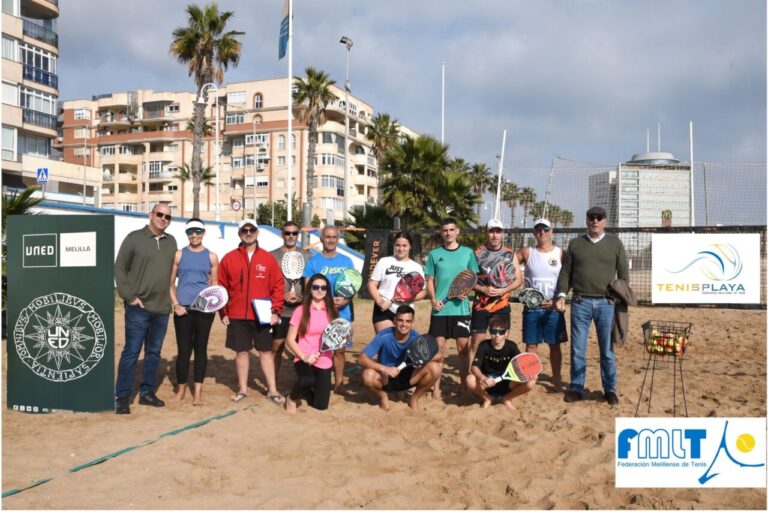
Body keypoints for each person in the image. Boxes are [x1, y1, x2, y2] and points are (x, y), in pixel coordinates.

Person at [555, 206, 629, 406]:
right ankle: (576, 387)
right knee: (578, 349)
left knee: (607, 350)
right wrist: (561, 294)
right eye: (591, 218)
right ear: (586, 221)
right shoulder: (575, 244)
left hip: (606, 304)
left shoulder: (615, 244)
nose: (595, 221)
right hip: (580, 302)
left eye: (599, 218)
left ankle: (610, 389)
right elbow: (566, 273)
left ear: (605, 221)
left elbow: (623, 276)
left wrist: (618, 297)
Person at [114, 203, 177, 414]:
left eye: (168, 216)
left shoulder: (171, 242)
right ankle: (122, 397)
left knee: (153, 353)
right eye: (159, 214)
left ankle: (147, 393)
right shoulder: (134, 238)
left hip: (161, 308)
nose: (163, 219)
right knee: (131, 352)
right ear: (151, 215)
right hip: (138, 307)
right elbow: (120, 269)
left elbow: (173, 273)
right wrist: (130, 297)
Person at [218, 219, 285, 404]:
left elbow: (278, 286)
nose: (248, 233)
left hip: (262, 315)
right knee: (241, 352)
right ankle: (243, 389)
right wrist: (223, 313)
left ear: (257, 232)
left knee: (265, 352)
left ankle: (272, 390)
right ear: (239, 233)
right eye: (244, 230)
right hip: (237, 315)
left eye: (252, 230)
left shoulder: (267, 258)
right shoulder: (229, 258)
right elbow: (221, 287)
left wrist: (276, 311)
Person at [425, 217, 480, 400]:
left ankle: (464, 387)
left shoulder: (467, 252)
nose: (448, 233)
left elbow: (473, 278)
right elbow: (430, 280)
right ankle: (436, 389)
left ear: (457, 231)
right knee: (438, 351)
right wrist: (433, 300)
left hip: (461, 310)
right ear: (441, 233)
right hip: (440, 309)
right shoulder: (434, 254)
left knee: (463, 350)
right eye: (445, 230)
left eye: (451, 229)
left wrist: (466, 290)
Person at [168, 218, 219, 406]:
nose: (194, 235)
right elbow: (170, 284)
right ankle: (181, 390)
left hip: (204, 311)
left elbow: (215, 286)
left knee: (201, 349)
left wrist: (212, 306)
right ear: (186, 234)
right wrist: (176, 305)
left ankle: (197, 393)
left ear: (203, 233)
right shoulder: (179, 255)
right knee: (183, 351)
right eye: (191, 232)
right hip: (183, 310)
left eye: (198, 231)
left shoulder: (212, 257)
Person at [516, 218, 568, 392]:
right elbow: (508, 265)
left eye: (545, 229)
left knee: (554, 345)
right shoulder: (527, 252)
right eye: (538, 229)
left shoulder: (560, 253)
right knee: (531, 345)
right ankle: (531, 378)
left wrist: (560, 299)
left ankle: (556, 379)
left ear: (551, 231)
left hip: (553, 307)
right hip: (531, 308)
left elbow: (569, 278)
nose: (542, 232)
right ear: (534, 233)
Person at [303, 225, 355, 395]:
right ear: (322, 238)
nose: (331, 240)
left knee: (339, 349)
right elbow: (307, 288)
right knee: (319, 347)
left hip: (343, 312)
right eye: (327, 237)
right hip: (320, 311)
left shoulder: (346, 261)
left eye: (334, 237)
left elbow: (353, 285)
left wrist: (346, 299)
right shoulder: (313, 262)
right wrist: (326, 301)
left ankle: (339, 384)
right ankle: (317, 382)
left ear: (338, 239)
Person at [359, 306, 441, 411]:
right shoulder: (384, 335)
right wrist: (385, 369)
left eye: (408, 321)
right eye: (400, 320)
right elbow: (362, 358)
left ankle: (414, 399)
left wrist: (423, 360)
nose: (403, 324)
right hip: (386, 378)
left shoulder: (416, 337)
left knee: (435, 368)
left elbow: (438, 355)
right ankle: (383, 397)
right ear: (394, 321)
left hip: (408, 377)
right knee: (367, 375)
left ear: (412, 323)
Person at [470, 218, 522, 368]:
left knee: (501, 343)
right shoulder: (477, 253)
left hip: (501, 305)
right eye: (491, 231)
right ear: (486, 233)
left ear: (502, 234)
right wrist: (483, 289)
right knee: (475, 344)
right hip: (481, 306)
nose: (494, 235)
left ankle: (500, 375)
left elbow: (518, 280)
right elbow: (468, 280)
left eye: (498, 231)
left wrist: (503, 290)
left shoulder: (509, 254)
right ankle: (471, 377)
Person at [284, 274, 338, 413]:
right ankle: (291, 398)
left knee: (321, 406)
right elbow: (290, 339)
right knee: (307, 379)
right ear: (310, 289)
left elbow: (335, 336)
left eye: (323, 287)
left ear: (327, 290)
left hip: (324, 359)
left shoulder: (332, 311)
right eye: (315, 287)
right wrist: (304, 357)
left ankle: (307, 389)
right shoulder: (300, 310)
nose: (320, 290)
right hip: (304, 357)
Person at [270, 221, 309, 393]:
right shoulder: (272, 256)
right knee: (276, 347)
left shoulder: (307, 256)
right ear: (282, 234)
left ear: (298, 235)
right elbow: (268, 283)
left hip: (301, 310)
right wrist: (281, 296)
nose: (291, 236)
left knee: (303, 348)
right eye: (287, 233)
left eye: (294, 233)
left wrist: (303, 298)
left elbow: (311, 284)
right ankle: (273, 384)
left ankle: (303, 384)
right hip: (280, 310)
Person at [466, 316, 535, 410]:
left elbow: (521, 366)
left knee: (531, 382)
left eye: (501, 332)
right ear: (490, 332)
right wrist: (484, 378)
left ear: (506, 333)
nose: (497, 335)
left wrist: (529, 374)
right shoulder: (484, 345)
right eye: (494, 332)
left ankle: (507, 398)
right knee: (470, 379)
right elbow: (474, 367)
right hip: (488, 384)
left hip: (508, 383)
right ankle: (487, 398)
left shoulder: (512, 347)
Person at [366, 231, 427, 333]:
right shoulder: (384, 261)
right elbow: (371, 284)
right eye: (398, 245)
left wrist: (407, 297)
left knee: (402, 345)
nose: (401, 248)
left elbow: (423, 292)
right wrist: (379, 300)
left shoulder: (416, 267)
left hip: (405, 312)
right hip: (383, 310)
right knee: (386, 344)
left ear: (410, 246)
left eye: (404, 245)